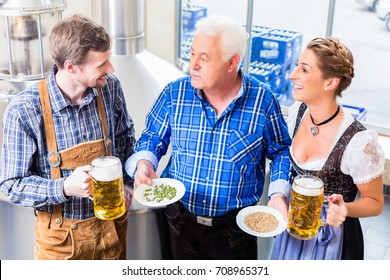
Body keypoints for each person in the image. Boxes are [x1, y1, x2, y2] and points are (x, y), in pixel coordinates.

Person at [125, 14, 291, 260]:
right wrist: (144, 163)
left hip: (235, 231)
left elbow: (281, 152)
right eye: (192, 54)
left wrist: (278, 195)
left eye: (204, 58)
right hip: (179, 221)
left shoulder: (263, 101)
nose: (193, 65)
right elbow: (151, 138)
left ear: (231, 62)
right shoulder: (175, 93)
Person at [0, 14, 135, 260]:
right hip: (60, 244)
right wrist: (63, 187)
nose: (111, 69)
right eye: (101, 64)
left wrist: (127, 182)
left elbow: (125, 137)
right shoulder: (24, 110)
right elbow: (11, 184)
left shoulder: (110, 87)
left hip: (112, 232)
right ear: (71, 66)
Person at [269, 37, 385, 260]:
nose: (292, 75)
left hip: (331, 239)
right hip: (293, 229)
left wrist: (345, 209)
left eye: (303, 69)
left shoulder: (358, 141)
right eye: (296, 67)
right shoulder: (298, 112)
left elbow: (376, 203)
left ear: (330, 82)